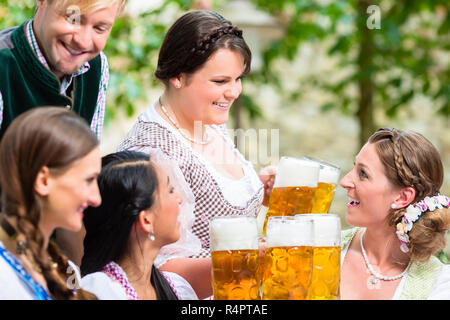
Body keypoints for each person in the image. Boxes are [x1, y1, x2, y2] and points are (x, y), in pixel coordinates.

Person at [117, 10, 275, 298]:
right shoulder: (152, 152)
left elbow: (213, 199)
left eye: (238, 79)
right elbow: (155, 270)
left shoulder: (204, 117)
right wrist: (248, 261)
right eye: (220, 81)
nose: (234, 92)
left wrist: (260, 190)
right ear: (178, 75)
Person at [0, 107, 102, 300]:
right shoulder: (4, 276)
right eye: (89, 180)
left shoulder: (65, 270)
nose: (96, 198)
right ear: (44, 181)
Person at [339, 127, 450, 300]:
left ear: (402, 197)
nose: (344, 181)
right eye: (355, 167)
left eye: (363, 174)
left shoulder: (440, 285)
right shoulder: (320, 248)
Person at [0, 0, 127, 139]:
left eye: (99, 28)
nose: (83, 41)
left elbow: (88, 154)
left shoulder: (97, 65)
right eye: (73, 19)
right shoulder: (4, 66)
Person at [80, 150, 198, 300]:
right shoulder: (99, 291)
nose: (179, 199)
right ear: (146, 220)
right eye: (170, 190)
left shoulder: (177, 288)